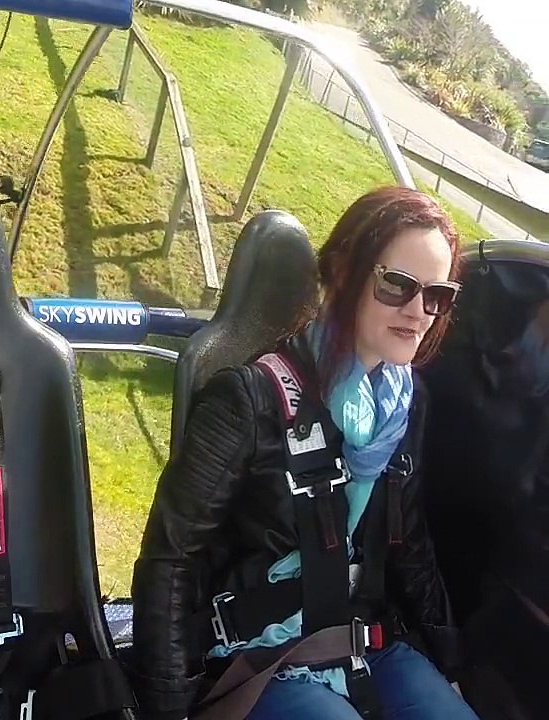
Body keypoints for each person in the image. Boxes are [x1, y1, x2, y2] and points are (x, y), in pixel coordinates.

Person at [130, 186, 480, 720]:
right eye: (397, 285)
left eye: (436, 295)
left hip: (366, 641)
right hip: (259, 654)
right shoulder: (249, 401)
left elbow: (410, 544)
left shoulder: (404, 404)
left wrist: (449, 664)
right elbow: (171, 560)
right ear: (343, 272)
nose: (417, 312)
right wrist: (169, 704)